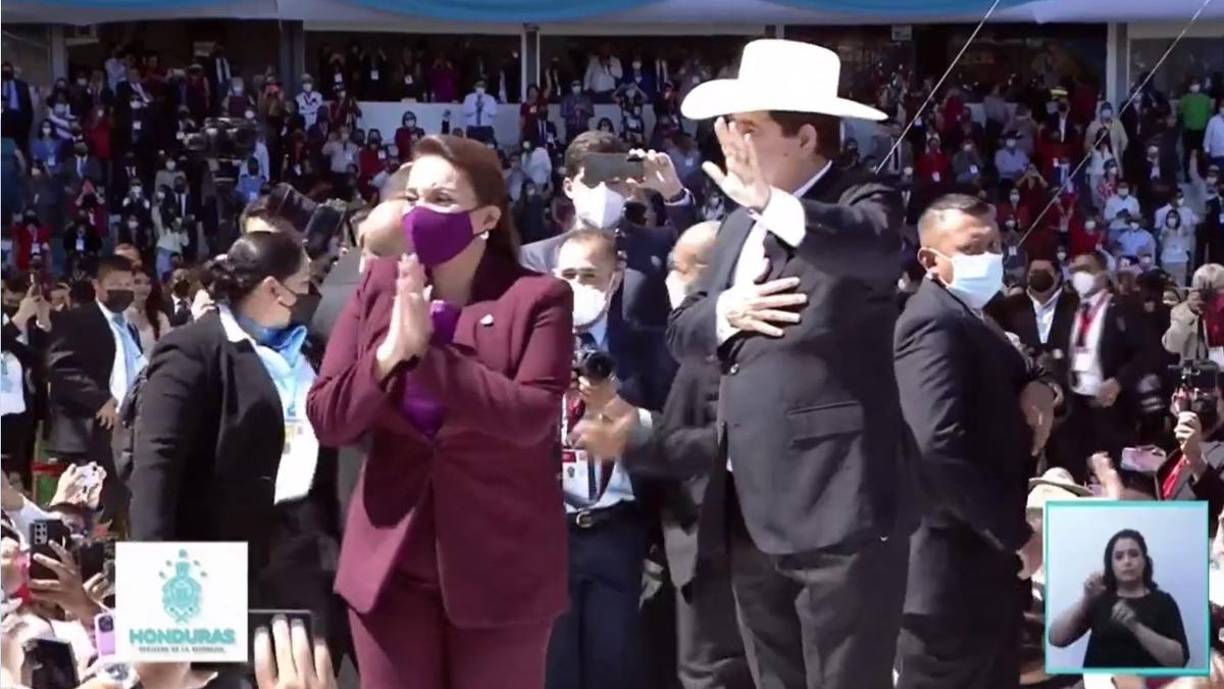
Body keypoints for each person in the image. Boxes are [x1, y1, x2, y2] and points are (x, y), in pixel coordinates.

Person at [667, 39, 909, 689]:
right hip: (747, 502)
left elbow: (877, 251)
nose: (732, 143)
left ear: (804, 136)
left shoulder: (867, 198)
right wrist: (729, 310)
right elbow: (683, 328)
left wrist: (775, 207)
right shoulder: (735, 227)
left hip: (837, 504)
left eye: (749, 127)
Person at [306, 135, 573, 689]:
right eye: (415, 196)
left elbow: (530, 418)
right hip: (390, 567)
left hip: (501, 569)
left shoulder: (538, 299)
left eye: (443, 199)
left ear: (487, 217)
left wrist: (429, 355)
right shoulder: (378, 285)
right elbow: (329, 417)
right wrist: (388, 357)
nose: (423, 211)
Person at [128, 228, 348, 681]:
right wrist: (155, 585)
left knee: (303, 672)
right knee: (223, 678)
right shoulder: (195, 349)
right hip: (216, 556)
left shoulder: (307, 346)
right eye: (306, 283)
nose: (314, 293)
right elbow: (157, 465)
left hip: (301, 544)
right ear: (273, 288)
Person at [893, 194, 1055, 689]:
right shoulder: (931, 323)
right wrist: (1015, 534)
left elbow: (1020, 365)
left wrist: (1038, 384)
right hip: (951, 577)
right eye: (972, 246)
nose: (990, 257)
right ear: (930, 259)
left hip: (979, 576)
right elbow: (937, 446)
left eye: (996, 244)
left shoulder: (974, 315)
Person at [614, 220, 754, 689]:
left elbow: (731, 440)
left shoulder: (738, 345)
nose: (674, 274)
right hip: (670, 538)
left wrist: (638, 436)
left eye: (684, 264)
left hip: (733, 540)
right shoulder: (653, 333)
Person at [544, 229, 675, 689]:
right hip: (546, 531)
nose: (576, 286)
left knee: (613, 666)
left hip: (617, 530)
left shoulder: (650, 349)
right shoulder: (530, 343)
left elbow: (675, 437)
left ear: (615, 279)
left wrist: (620, 408)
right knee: (551, 668)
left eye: (589, 276)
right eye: (567, 275)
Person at [519, 131, 695, 336]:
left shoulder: (657, 247)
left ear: (628, 188)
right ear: (569, 187)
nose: (602, 191)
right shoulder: (535, 258)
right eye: (591, 182)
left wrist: (673, 191)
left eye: (613, 182)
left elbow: (702, 255)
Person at [45, 255, 145, 519]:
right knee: (83, 516)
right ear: (97, 286)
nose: (123, 290)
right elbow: (59, 366)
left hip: (124, 433)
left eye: (128, 284)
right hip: (89, 433)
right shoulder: (78, 320)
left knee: (116, 511)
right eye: (115, 283)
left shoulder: (129, 328)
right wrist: (99, 399)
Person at [1061, 252, 1151, 480]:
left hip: (1113, 406)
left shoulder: (1122, 307)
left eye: (1086, 269)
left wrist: (1119, 382)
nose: (1078, 275)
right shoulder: (1070, 308)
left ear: (1102, 274)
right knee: (1078, 466)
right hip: (1076, 404)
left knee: (1113, 470)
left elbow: (1146, 353)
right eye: (1074, 271)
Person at [1049, 529, 1189, 669]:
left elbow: (1178, 661)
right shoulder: (1099, 599)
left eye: (1133, 554)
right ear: (1111, 564)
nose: (1127, 561)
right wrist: (1086, 599)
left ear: (1144, 560)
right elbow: (1056, 639)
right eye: (1119, 556)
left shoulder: (1163, 602)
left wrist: (1135, 626)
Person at [126, 268, 172, 354]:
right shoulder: (118, 317)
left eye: (147, 283)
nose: (143, 287)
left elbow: (168, 350)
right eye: (137, 282)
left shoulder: (160, 317)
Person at [462, 78, 497, 144]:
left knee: (487, 150)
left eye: (483, 86)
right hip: (472, 129)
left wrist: (483, 107)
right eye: (478, 85)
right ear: (474, 86)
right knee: (472, 150)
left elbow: (493, 112)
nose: (480, 87)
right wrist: (476, 108)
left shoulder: (490, 98)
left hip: (486, 129)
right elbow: (465, 112)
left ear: (485, 88)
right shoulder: (468, 98)